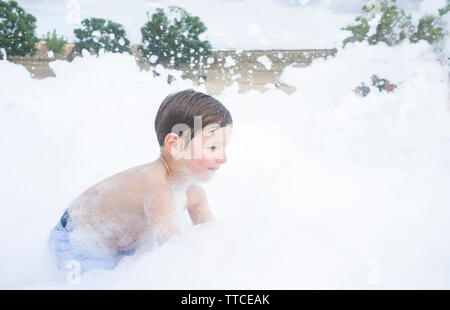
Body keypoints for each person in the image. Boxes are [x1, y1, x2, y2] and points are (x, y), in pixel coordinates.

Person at [47, 89, 233, 274]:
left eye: (224, 148)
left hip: (118, 246)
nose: (223, 158)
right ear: (176, 145)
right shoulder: (156, 189)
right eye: (213, 147)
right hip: (76, 241)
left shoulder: (195, 194)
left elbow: (211, 235)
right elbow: (173, 255)